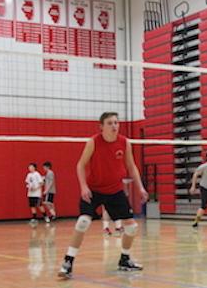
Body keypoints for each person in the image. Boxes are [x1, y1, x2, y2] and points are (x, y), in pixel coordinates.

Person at [57, 112, 148, 278]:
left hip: (115, 191)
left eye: (116, 122)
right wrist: (84, 187)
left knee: (132, 227)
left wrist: (140, 188)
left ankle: (125, 259)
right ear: (101, 126)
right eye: (110, 123)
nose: (114, 126)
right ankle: (68, 261)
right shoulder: (93, 142)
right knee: (83, 222)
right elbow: (80, 165)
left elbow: (131, 166)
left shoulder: (124, 143)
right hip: (94, 190)